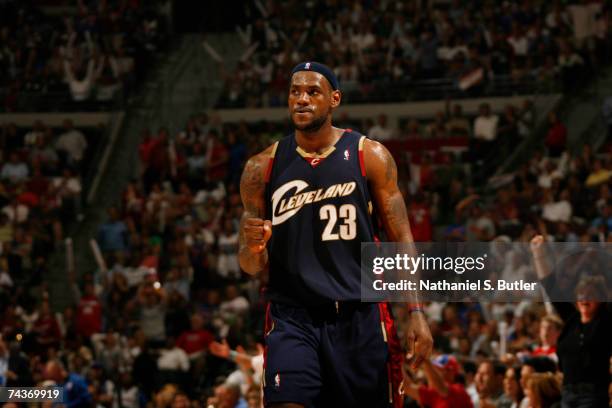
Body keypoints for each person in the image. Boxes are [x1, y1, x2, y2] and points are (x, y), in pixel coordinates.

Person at [238, 61, 433, 408]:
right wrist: (252, 247)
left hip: (358, 315)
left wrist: (416, 311)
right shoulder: (261, 167)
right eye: (295, 92)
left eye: (313, 92)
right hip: (292, 315)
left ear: (334, 99)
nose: (302, 99)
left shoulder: (368, 155)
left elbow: (401, 238)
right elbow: (251, 265)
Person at [531, 235, 611, 407]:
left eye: (591, 294)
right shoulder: (572, 320)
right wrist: (538, 253)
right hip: (567, 394)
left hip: (594, 395)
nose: (585, 298)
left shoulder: (605, 322)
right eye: (581, 294)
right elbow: (550, 284)